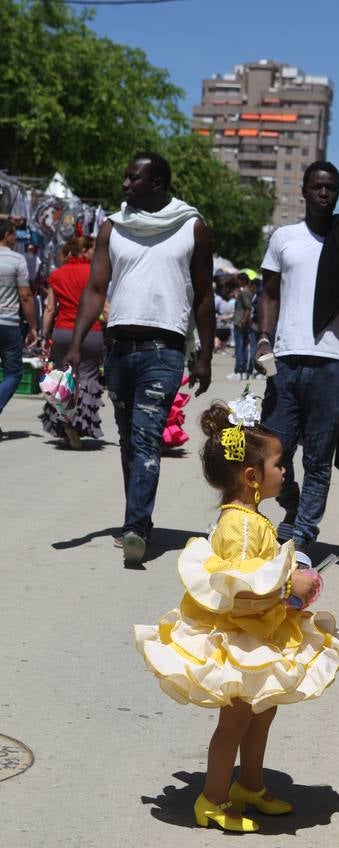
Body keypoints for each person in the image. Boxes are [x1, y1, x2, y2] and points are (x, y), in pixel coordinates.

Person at [134, 395, 339, 832]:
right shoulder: (239, 525)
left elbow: (263, 573)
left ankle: (249, 785)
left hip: (260, 630)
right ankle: (213, 798)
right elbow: (237, 585)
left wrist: (293, 581)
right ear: (253, 476)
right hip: (240, 638)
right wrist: (288, 585)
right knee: (235, 720)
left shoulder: (251, 518)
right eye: (279, 464)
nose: (284, 472)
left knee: (263, 709)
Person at [63, 151, 215, 564]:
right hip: (118, 349)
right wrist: (77, 343)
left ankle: (134, 527)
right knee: (129, 440)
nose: (125, 185)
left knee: (147, 436)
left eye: (133, 179)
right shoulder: (113, 226)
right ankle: (140, 520)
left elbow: (204, 294)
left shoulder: (191, 227)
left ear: (158, 184)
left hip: (162, 352)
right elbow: (96, 289)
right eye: (126, 178)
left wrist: (204, 356)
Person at [257, 161, 339, 564]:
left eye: (332, 188)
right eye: (318, 187)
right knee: (273, 449)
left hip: (331, 362)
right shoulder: (284, 238)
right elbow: (269, 294)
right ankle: (293, 502)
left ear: (338, 193)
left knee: (319, 458)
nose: (325, 193)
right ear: (304, 191)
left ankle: (302, 536)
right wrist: (264, 338)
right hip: (285, 359)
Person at [40, 236, 104, 449]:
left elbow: (49, 309)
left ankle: (65, 423)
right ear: (84, 250)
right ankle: (77, 426)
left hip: (63, 332)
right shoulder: (94, 273)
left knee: (63, 379)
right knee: (86, 379)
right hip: (90, 332)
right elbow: (103, 306)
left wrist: (44, 334)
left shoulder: (56, 275)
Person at [0, 221, 38, 439]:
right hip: (8, 323)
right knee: (13, 373)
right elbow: (25, 295)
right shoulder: (17, 259)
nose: (16, 239)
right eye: (14, 235)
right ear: (7, 235)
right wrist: (33, 325)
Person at [228, 272, 252, 380]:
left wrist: (242, 320)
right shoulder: (246, 292)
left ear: (242, 280)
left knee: (240, 347)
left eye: (238, 280)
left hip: (240, 322)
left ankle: (238, 371)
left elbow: (248, 308)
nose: (237, 282)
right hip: (244, 323)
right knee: (243, 348)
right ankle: (242, 371)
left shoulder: (244, 292)